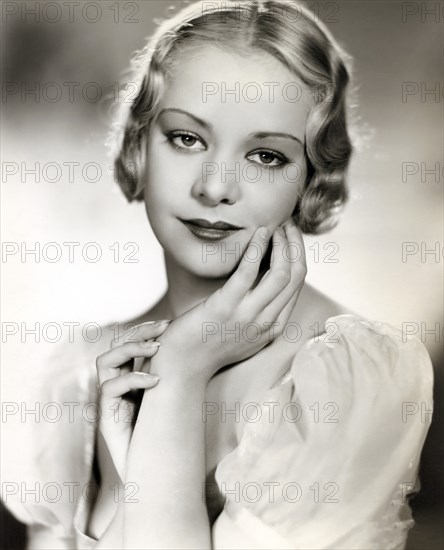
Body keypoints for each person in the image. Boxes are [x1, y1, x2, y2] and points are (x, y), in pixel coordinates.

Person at [2, 1, 434, 548]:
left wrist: (180, 372)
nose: (215, 187)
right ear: (139, 144)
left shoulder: (347, 379)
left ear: (311, 178)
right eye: (187, 138)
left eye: (267, 156)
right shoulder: (74, 374)